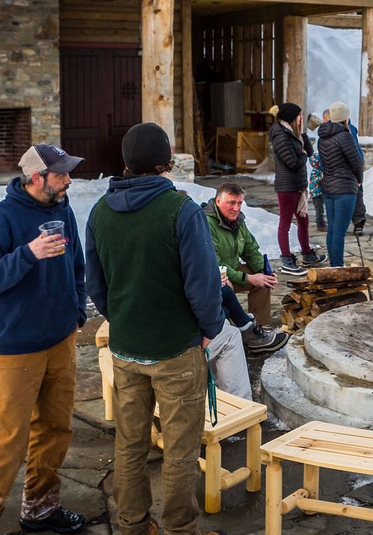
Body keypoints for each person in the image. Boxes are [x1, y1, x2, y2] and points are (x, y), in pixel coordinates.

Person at [85, 123, 225, 535]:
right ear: (166, 163)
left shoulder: (100, 211)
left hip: (126, 348)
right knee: (180, 450)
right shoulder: (182, 210)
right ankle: (179, 528)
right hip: (176, 349)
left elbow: (95, 283)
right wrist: (209, 327)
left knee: (130, 443)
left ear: (126, 163)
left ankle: (132, 525)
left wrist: (121, 318)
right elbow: (203, 285)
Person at [0, 144, 88, 535]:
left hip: (61, 340)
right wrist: (28, 253)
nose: (68, 180)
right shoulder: (0, 218)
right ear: (37, 178)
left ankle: (41, 508)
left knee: (56, 429)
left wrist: (76, 309)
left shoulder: (63, 210)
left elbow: (77, 265)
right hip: (18, 347)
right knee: (10, 437)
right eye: (61, 174)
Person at [202, 182, 291, 353]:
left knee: (263, 280)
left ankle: (260, 330)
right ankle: (236, 333)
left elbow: (250, 250)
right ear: (218, 201)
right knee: (234, 284)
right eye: (231, 203)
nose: (236, 208)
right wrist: (249, 278)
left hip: (232, 269)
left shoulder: (238, 221)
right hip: (214, 276)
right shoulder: (206, 223)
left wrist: (264, 270)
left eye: (239, 203)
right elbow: (215, 263)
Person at [268, 102, 324, 274]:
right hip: (287, 186)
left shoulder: (293, 134)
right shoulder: (280, 135)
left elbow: (309, 152)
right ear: (292, 118)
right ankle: (287, 260)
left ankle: (307, 255)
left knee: (303, 221)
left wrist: (303, 134)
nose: (302, 117)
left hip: (298, 185)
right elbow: (293, 162)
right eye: (299, 115)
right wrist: (302, 155)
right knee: (285, 223)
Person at [317, 102, 364, 267]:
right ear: (345, 118)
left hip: (329, 186)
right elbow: (357, 162)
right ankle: (337, 265)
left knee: (332, 229)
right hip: (345, 187)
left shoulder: (323, 136)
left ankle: (334, 264)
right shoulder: (345, 136)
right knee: (339, 231)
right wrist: (359, 179)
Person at [308, 111, 327, 233]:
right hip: (319, 191)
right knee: (320, 209)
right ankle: (320, 224)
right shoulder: (319, 171)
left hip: (317, 192)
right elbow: (318, 181)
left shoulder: (315, 171)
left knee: (319, 209)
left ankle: (321, 223)